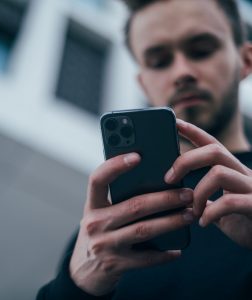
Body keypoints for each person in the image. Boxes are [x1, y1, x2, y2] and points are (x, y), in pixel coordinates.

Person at [37, 0, 252, 299]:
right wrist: (76, 286)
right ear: (144, 84)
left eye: (201, 50)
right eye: (159, 61)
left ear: (246, 61)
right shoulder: (105, 230)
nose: (182, 72)